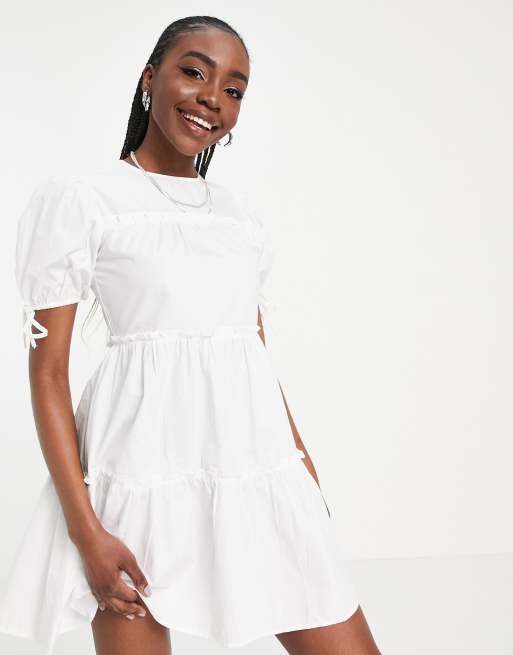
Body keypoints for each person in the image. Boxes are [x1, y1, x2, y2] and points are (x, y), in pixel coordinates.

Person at [0, 15, 382, 655]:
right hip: (135, 482)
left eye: (233, 89)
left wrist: (303, 478)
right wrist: (86, 531)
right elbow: (48, 373)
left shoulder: (239, 219)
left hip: (255, 474)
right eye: (194, 72)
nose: (212, 99)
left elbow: (251, 355)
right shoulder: (84, 201)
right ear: (150, 78)